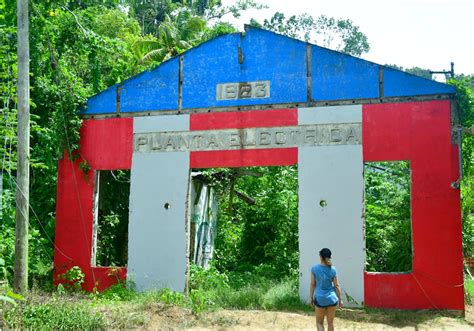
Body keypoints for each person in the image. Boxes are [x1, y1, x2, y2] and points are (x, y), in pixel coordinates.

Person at [310, 248, 343, 331]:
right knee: (330, 323)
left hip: (320, 299)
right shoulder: (333, 269)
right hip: (332, 299)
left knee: (319, 322)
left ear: (321, 257)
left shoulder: (314, 269)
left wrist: (311, 298)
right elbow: (337, 285)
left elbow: (312, 284)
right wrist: (340, 300)